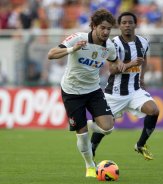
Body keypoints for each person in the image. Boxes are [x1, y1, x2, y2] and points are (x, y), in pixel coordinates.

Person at [47, 9, 117, 178]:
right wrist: (72, 49)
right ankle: (90, 165)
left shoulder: (110, 47)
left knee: (108, 128)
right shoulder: (78, 38)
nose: (106, 32)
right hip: (71, 91)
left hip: (93, 90)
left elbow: (115, 63)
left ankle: (82, 123)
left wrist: (123, 68)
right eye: (102, 28)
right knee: (83, 135)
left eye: (109, 28)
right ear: (93, 26)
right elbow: (51, 54)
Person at [88, 12, 159, 160]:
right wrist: (131, 64)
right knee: (104, 127)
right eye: (124, 23)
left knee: (153, 110)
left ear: (135, 24)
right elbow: (112, 70)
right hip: (114, 93)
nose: (127, 25)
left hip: (134, 91)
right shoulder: (113, 44)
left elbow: (144, 60)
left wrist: (142, 77)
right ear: (119, 26)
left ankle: (140, 145)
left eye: (130, 22)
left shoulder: (143, 42)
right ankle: (91, 150)